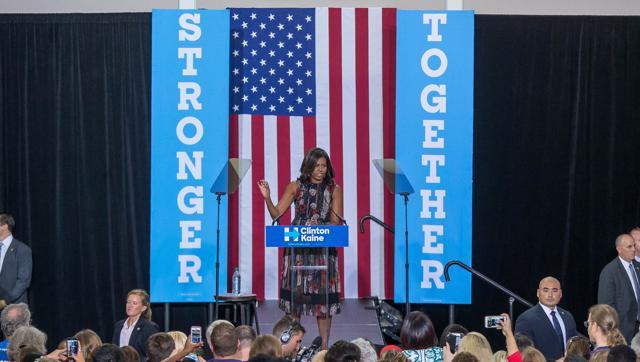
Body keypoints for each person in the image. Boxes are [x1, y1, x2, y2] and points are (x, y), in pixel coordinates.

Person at [258, 147, 343, 349]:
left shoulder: (334, 189)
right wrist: (267, 197)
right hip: (298, 251)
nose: (321, 170)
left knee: (322, 303)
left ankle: (323, 350)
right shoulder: (295, 187)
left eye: (324, 166)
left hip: (323, 252)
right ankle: (290, 347)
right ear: (308, 166)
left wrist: (320, 227)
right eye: (317, 165)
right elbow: (276, 214)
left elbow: (336, 222)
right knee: (295, 300)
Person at [514, 276, 578, 360]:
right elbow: (524, 354)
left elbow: (574, 346)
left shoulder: (567, 316)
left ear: (561, 293)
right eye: (545, 290)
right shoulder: (526, 319)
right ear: (538, 293)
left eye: (554, 290)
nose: (550, 295)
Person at [597, 233, 640, 343]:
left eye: (634, 246)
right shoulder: (609, 272)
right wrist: (615, 332)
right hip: (623, 331)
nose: (634, 249)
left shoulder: (637, 266)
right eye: (629, 247)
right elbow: (606, 307)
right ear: (619, 249)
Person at [112, 289, 160, 359]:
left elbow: (153, 355)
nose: (129, 306)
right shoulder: (118, 325)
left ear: (143, 308)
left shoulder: (150, 327)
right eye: (128, 302)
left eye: (134, 303)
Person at [0, 213, 33, 305]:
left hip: (14, 307)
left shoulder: (22, 250)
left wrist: (5, 301)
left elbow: (23, 281)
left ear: (5, 226)